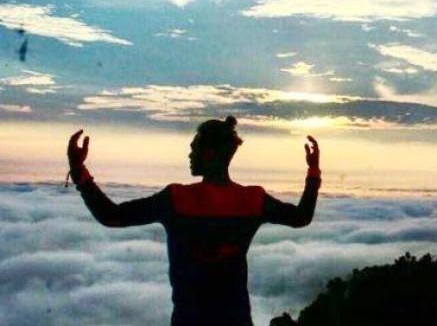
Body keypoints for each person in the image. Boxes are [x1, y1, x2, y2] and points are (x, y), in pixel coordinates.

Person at [66, 116, 322, 326]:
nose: (189, 154)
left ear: (209, 155)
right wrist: (313, 172)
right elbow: (301, 217)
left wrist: (79, 171)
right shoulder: (253, 199)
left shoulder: (176, 199)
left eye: (194, 148)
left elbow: (111, 216)